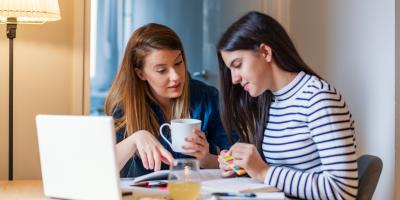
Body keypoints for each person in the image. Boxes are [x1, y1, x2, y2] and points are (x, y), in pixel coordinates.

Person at [216, 11, 358, 199]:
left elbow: (343, 191)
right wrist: (242, 165)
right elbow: (286, 172)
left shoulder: (318, 98)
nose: (234, 79)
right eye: (230, 69)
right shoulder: (272, 100)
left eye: (238, 64)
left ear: (265, 52)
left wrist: (264, 172)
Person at [104, 23, 232, 178]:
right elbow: (98, 170)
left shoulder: (207, 97)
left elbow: (236, 162)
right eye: (161, 70)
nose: (176, 76)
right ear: (140, 74)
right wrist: (135, 139)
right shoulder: (125, 106)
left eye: (178, 63)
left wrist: (205, 158)